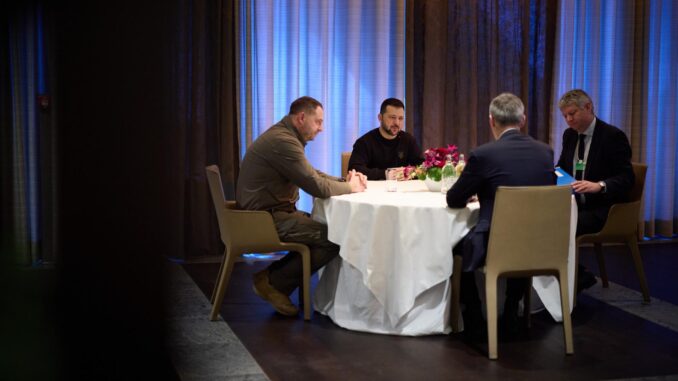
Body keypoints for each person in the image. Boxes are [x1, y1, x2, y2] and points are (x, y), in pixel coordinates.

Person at [236, 96, 367, 316]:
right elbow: (317, 187)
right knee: (333, 236)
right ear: (302, 118)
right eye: (318, 122)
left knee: (329, 231)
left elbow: (312, 174)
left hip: (267, 214)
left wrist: (345, 182)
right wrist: (352, 187)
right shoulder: (283, 142)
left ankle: (273, 281)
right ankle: (272, 283)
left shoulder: (284, 136)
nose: (322, 128)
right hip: (264, 220)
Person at [446, 93, 556, 338]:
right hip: (541, 244)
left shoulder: (484, 154)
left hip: (496, 245)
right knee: (521, 233)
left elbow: (454, 199)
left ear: (491, 121)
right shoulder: (545, 152)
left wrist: (479, 191)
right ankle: (511, 311)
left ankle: (473, 313)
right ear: (523, 120)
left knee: (452, 246)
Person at [556, 89, 634, 292]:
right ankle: (568, 277)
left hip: (603, 209)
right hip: (574, 204)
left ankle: (572, 280)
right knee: (542, 220)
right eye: (565, 116)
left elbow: (627, 179)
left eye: (572, 113)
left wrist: (599, 186)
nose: (568, 120)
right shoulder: (569, 136)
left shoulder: (612, 136)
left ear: (588, 107)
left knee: (559, 226)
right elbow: (562, 168)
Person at [347, 98, 423, 179]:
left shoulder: (408, 140)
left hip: (403, 189)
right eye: (392, 117)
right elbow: (354, 170)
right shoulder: (364, 142)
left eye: (400, 118)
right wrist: (386, 174)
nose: (397, 123)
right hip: (373, 190)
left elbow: (424, 167)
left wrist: (409, 172)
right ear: (380, 117)